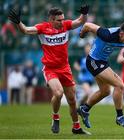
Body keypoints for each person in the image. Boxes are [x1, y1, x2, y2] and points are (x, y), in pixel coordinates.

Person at [8, 5, 91, 135]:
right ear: (51, 19)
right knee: (58, 93)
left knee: (72, 100)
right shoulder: (42, 28)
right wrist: (18, 22)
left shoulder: (66, 25)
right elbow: (25, 30)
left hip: (65, 68)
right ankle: (55, 117)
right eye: (59, 20)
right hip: (50, 69)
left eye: (63, 19)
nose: (62, 22)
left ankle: (76, 127)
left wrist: (85, 13)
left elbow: (81, 21)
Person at [77, 21, 124, 129]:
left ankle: (84, 109)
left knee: (105, 91)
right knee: (119, 85)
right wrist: (81, 35)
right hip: (93, 61)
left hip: (102, 62)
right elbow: (87, 25)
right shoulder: (107, 34)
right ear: (121, 34)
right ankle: (120, 117)